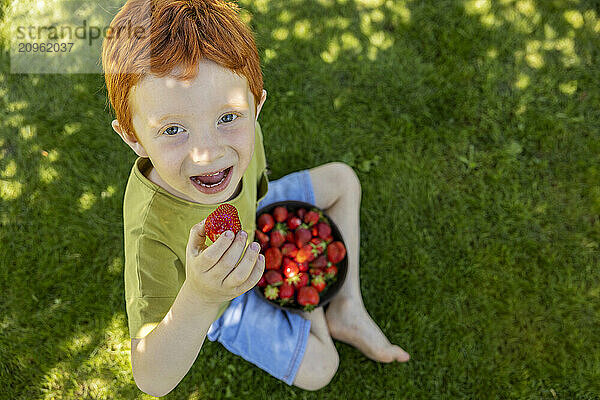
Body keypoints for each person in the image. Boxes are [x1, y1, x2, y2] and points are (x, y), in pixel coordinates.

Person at [101, 0, 410, 396]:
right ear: (133, 138)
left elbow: (258, 191)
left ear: (255, 105)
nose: (207, 154)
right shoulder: (152, 230)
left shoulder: (242, 142)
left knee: (343, 180)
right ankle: (310, 306)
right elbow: (151, 379)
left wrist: (273, 233)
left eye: (227, 118)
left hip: (253, 223)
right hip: (221, 295)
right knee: (322, 368)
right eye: (173, 129)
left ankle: (347, 305)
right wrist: (201, 295)